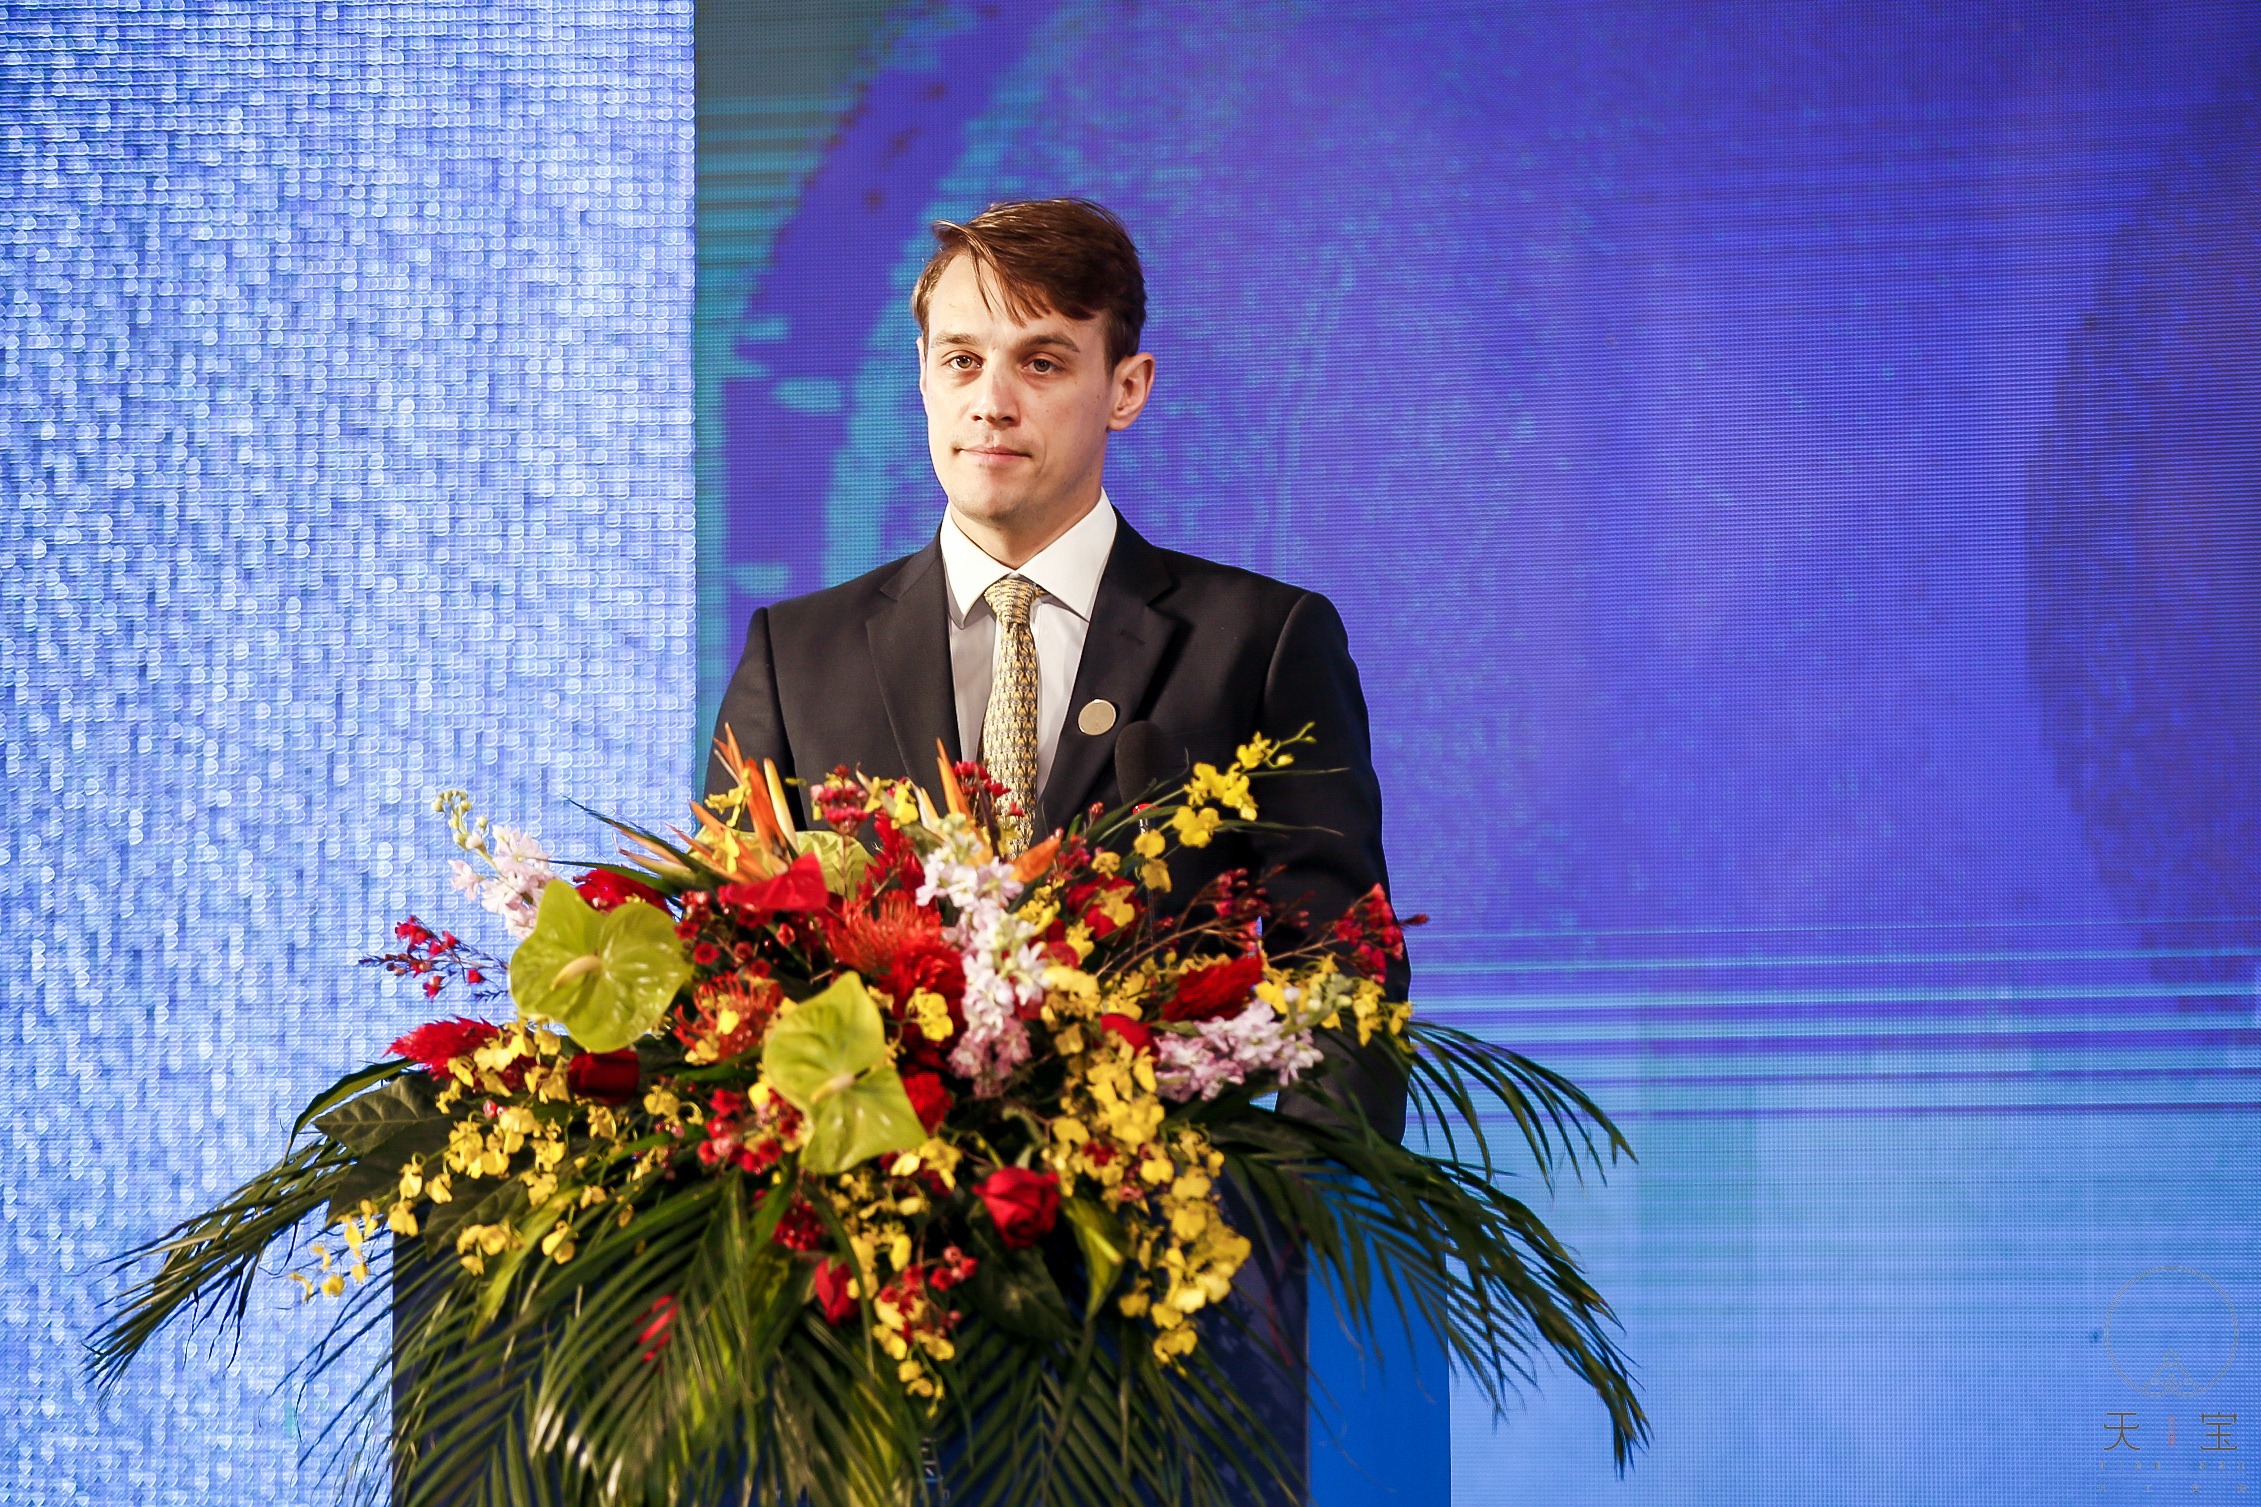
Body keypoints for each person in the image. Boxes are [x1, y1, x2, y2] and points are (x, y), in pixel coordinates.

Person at [705, 196, 1404, 1501]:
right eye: (960, 359)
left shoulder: (1258, 642)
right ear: (921, 377)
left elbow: (1342, 970)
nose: (992, 401)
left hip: (1172, 1321)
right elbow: (730, 975)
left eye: (1041, 360)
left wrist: (1282, 1245)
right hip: (863, 1322)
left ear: (1124, 387)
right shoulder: (798, 654)